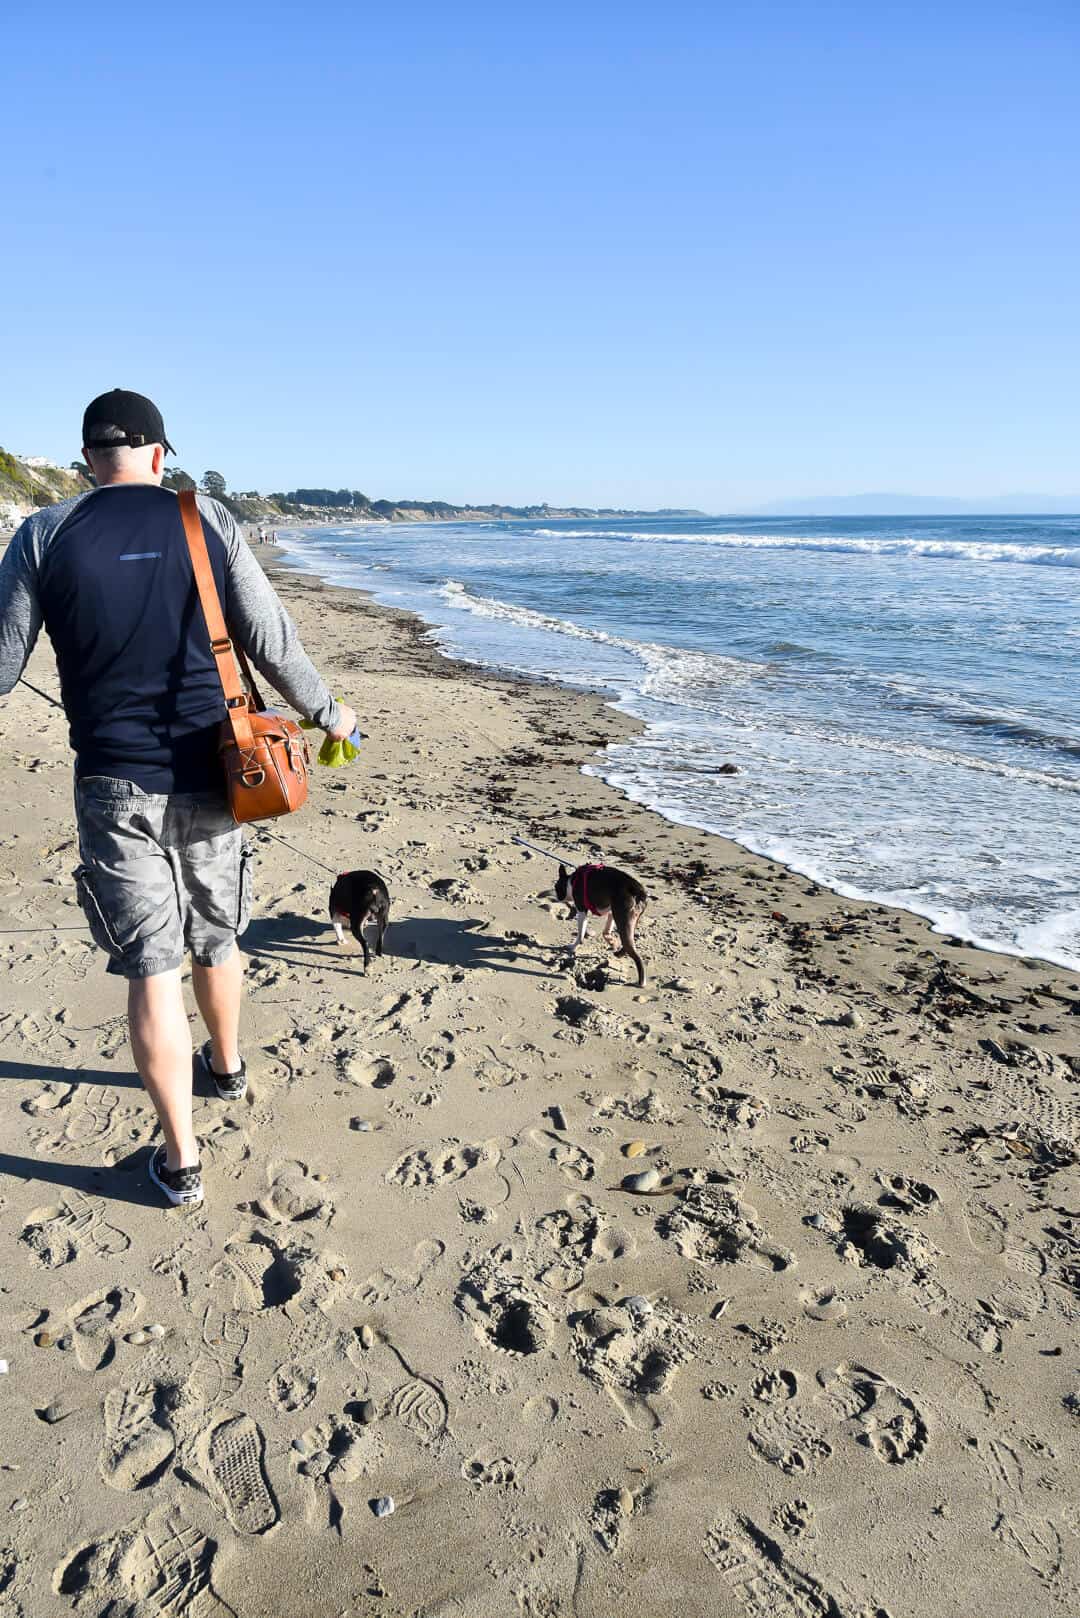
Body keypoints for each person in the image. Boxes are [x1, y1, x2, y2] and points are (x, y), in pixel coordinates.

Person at [0, 389, 357, 1208]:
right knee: (217, 932)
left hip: (111, 783)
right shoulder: (206, 519)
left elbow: (1, 667)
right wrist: (329, 714)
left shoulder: (43, 533)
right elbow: (272, 641)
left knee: (152, 967)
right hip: (216, 771)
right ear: (160, 454)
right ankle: (225, 1069)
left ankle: (182, 1161)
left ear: (88, 459)